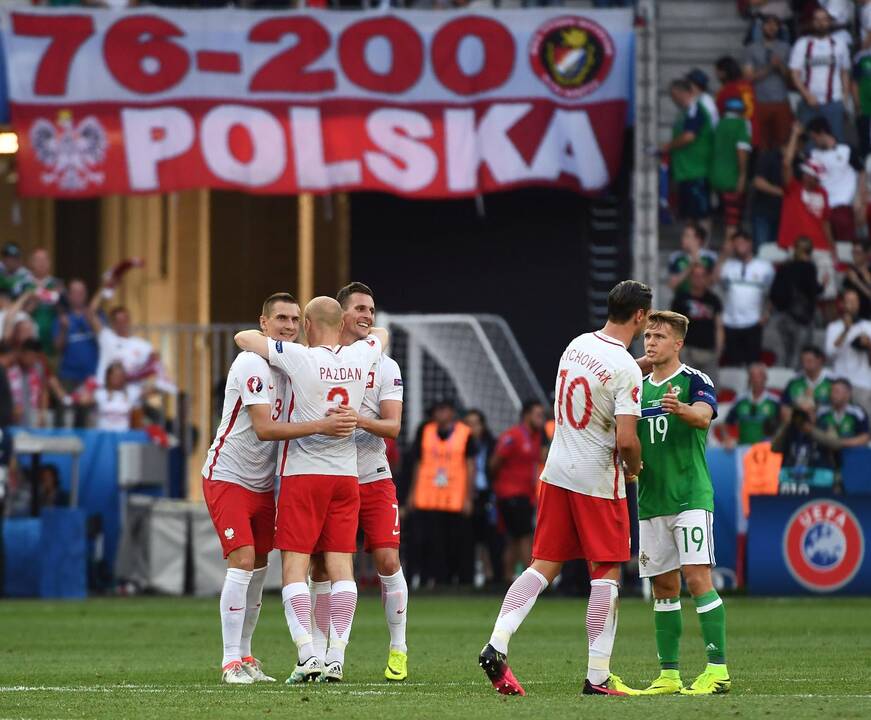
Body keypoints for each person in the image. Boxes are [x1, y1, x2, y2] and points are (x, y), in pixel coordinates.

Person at [479, 280, 650, 697]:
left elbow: (602, 381)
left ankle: (496, 642)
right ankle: (597, 677)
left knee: (544, 565)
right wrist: (634, 469)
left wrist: (642, 366)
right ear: (641, 317)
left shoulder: (577, 345)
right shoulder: (625, 368)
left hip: (556, 472)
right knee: (607, 571)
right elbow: (627, 439)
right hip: (596, 480)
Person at [204, 293, 358, 685]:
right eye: (281, 319)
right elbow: (265, 429)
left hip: (263, 482)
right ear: (264, 323)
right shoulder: (252, 363)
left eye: (294, 319)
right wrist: (322, 427)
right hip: (229, 475)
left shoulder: (294, 363)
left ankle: (246, 655)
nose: (289, 326)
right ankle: (228, 662)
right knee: (241, 561)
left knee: (258, 568)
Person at [235, 297, 387, 685]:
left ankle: (307, 654)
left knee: (295, 568)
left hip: (304, 475)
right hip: (346, 477)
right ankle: (336, 656)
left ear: (306, 323)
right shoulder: (361, 355)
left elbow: (245, 339)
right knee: (342, 569)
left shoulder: (300, 357)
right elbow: (381, 335)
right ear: (341, 324)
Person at [308, 282, 407, 683]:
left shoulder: (385, 364)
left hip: (372, 475)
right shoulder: (318, 360)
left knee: (387, 559)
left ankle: (398, 647)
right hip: (329, 475)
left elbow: (394, 426)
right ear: (341, 314)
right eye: (360, 309)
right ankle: (317, 654)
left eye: (372, 309)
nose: (368, 316)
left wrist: (358, 420)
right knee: (321, 566)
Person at [634, 311, 729, 696]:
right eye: (648, 336)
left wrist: (683, 410)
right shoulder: (637, 388)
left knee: (696, 578)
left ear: (678, 344)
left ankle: (717, 670)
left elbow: (705, 418)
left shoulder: (693, 381)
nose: (651, 342)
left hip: (690, 495)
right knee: (663, 587)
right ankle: (669, 674)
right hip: (651, 499)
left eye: (659, 336)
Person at [406, 399, 476, 588]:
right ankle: (434, 580)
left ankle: (456, 581)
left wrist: (469, 497)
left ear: (452, 412)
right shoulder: (425, 431)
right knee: (430, 543)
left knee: (455, 543)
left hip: (455, 497)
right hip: (428, 496)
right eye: (437, 410)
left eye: (443, 409)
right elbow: (418, 464)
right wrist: (412, 494)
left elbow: (470, 466)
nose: (439, 414)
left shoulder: (465, 433)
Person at [490, 400, 545, 584]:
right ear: (527, 415)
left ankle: (507, 578)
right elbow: (494, 463)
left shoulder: (536, 437)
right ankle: (530, 582)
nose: (541, 419)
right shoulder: (513, 436)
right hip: (512, 495)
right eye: (538, 415)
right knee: (524, 537)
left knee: (514, 538)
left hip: (525, 495)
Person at [789, 6, 851, 142]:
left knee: (836, 142)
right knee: (809, 144)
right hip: (809, 102)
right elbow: (794, 73)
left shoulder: (839, 44)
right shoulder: (802, 44)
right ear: (812, 22)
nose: (821, 23)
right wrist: (807, 95)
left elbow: (844, 72)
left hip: (833, 101)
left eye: (824, 19)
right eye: (817, 20)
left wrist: (845, 98)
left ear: (830, 22)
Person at [716, 230, 775, 366]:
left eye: (742, 243)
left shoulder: (764, 267)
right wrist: (724, 254)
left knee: (753, 365)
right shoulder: (728, 266)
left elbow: (773, 292)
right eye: (736, 244)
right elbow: (714, 279)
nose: (739, 246)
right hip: (730, 323)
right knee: (733, 366)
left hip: (753, 323)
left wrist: (767, 314)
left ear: (750, 244)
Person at [661, 79, 715, 227]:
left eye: (674, 95)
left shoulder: (696, 110)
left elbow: (689, 136)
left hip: (697, 171)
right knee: (689, 215)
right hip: (685, 170)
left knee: (701, 214)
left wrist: (667, 146)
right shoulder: (684, 112)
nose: (673, 99)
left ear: (682, 93)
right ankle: (693, 246)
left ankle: (702, 248)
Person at [778, 123, 835, 255]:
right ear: (807, 175)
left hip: (821, 246)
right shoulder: (793, 188)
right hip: (796, 245)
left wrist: (832, 247)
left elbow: (825, 222)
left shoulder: (822, 192)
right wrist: (794, 135)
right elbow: (786, 163)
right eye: (816, 177)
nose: (818, 180)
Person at [806, 116, 865, 244]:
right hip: (824, 208)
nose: (814, 141)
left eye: (814, 137)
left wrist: (860, 198)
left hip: (845, 205)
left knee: (847, 244)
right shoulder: (813, 155)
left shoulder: (846, 150)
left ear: (822, 133)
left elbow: (862, 172)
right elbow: (811, 181)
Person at [769, 236, 824, 368]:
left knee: (785, 353)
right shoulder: (809, 268)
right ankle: (792, 382)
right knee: (799, 356)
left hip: (783, 317)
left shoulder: (784, 267)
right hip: (802, 318)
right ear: (810, 251)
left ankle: (784, 380)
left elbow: (774, 293)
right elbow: (812, 291)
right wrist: (822, 286)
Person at [743, 13, 794, 150]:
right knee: (761, 144)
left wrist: (780, 67)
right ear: (762, 27)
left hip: (781, 100)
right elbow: (748, 78)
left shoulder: (786, 47)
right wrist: (770, 67)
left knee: (783, 141)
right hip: (760, 101)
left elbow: (791, 78)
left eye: (775, 25)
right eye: (768, 24)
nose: (772, 28)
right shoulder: (751, 48)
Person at [670, 264, 724, 387]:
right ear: (690, 278)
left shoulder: (713, 300)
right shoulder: (680, 299)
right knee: (685, 389)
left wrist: (718, 350)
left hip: (709, 353)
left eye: (702, 276)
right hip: (687, 351)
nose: (698, 279)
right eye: (695, 276)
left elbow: (719, 327)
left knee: (709, 389)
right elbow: (673, 326)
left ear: (707, 278)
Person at [464, 408, 500, 587]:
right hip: (467, 494)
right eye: (468, 424)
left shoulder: (491, 444)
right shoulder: (460, 443)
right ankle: (469, 576)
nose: (471, 428)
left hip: (487, 494)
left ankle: (491, 575)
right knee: (469, 539)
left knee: (491, 538)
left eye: (475, 424)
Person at [711, 97, 752, 242]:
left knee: (725, 219)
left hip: (716, 177)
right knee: (732, 224)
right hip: (732, 179)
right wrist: (742, 176)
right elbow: (742, 150)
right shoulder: (741, 125)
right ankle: (728, 254)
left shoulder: (719, 124)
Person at [825, 289, 871, 413]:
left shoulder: (868, 326)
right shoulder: (833, 327)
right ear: (843, 304)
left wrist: (868, 346)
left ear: (859, 304)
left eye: (854, 301)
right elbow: (830, 354)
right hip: (840, 383)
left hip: (863, 384)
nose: (851, 304)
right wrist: (845, 330)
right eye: (848, 301)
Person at [54, 279, 99, 393]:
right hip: (68, 376)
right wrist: (64, 329)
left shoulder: (97, 315)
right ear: (69, 295)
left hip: (92, 374)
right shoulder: (60, 318)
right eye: (75, 292)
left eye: (81, 292)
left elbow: (105, 341)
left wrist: (93, 322)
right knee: (68, 410)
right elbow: (57, 347)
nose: (78, 296)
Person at [724, 363, 781, 446]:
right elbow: (726, 423)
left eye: (759, 376)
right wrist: (727, 438)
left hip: (766, 450)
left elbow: (784, 424)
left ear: (765, 378)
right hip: (743, 449)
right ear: (749, 379)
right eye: (753, 376)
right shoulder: (740, 401)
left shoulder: (774, 402)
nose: (756, 380)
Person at [815, 378, 871, 461]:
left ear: (848, 394)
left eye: (836, 391)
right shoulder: (822, 412)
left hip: (851, 455)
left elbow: (865, 438)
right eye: (831, 391)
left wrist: (840, 443)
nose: (832, 395)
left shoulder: (858, 413)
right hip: (825, 456)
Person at [24, 249, 63, 356]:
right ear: (31, 263)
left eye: (45, 260)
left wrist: (59, 298)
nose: (42, 263)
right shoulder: (23, 284)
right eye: (38, 260)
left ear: (49, 263)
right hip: (28, 346)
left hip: (52, 344)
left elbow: (64, 314)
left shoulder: (57, 284)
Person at [781, 345, 833, 421]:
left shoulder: (833, 381)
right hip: (798, 425)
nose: (805, 365)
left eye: (809, 361)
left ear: (820, 360)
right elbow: (784, 408)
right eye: (803, 361)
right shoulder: (794, 382)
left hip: (824, 426)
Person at [750, 139, 785, 247]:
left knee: (776, 252)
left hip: (782, 214)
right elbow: (757, 182)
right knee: (762, 249)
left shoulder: (798, 160)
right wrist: (782, 193)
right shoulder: (769, 157)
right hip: (764, 212)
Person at [668, 224, 718, 293]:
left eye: (687, 236)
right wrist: (690, 267)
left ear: (698, 240)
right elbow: (672, 285)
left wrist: (698, 264)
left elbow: (711, 283)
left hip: (703, 301)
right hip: (681, 300)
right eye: (683, 235)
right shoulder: (675, 257)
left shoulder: (710, 257)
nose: (682, 239)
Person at [715, 56, 755, 123]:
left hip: (738, 130)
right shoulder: (748, 85)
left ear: (723, 73)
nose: (716, 75)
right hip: (754, 129)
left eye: (717, 72)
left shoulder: (726, 90)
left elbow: (717, 113)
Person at [842, 242, 871, 319]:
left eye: (858, 252)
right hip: (854, 316)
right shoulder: (851, 271)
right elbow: (845, 294)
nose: (854, 255)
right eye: (853, 252)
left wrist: (857, 282)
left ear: (866, 254)